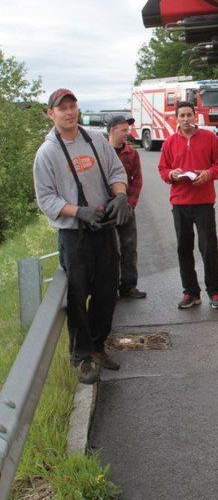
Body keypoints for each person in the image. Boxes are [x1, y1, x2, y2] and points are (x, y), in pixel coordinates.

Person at [33, 89, 132, 385]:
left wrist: (120, 196)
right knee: (77, 297)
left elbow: (116, 172)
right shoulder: (47, 153)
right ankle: (82, 358)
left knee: (106, 292)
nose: (69, 112)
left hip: (103, 230)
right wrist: (78, 211)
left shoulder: (96, 140)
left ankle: (98, 346)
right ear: (50, 114)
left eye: (72, 106)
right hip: (74, 235)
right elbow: (46, 199)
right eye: (62, 108)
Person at [158, 100, 218, 309]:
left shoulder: (209, 137)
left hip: (204, 202)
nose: (186, 119)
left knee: (209, 248)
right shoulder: (169, 142)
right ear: (176, 119)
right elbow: (163, 169)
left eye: (189, 115)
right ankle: (190, 292)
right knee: (183, 249)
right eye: (182, 116)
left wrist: (208, 174)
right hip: (179, 202)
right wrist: (172, 174)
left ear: (195, 116)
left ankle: (214, 292)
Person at [107, 114, 146, 299]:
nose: (127, 133)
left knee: (129, 247)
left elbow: (137, 180)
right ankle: (109, 288)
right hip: (105, 209)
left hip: (127, 208)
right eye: (123, 130)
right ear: (112, 130)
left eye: (127, 130)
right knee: (108, 250)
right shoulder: (100, 151)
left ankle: (129, 286)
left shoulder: (132, 153)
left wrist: (129, 205)